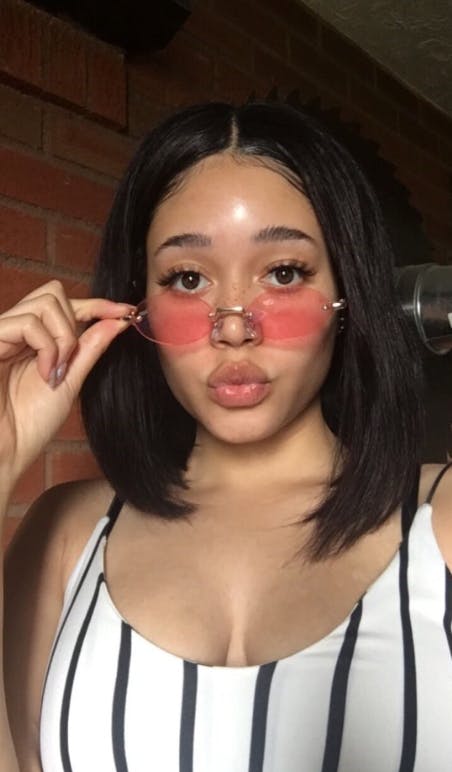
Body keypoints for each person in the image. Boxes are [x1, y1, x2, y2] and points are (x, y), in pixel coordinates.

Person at [0, 101, 451, 772]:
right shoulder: (65, 534)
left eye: (284, 273)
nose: (234, 327)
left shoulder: (440, 522)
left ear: (347, 294)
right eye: (187, 279)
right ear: (137, 304)